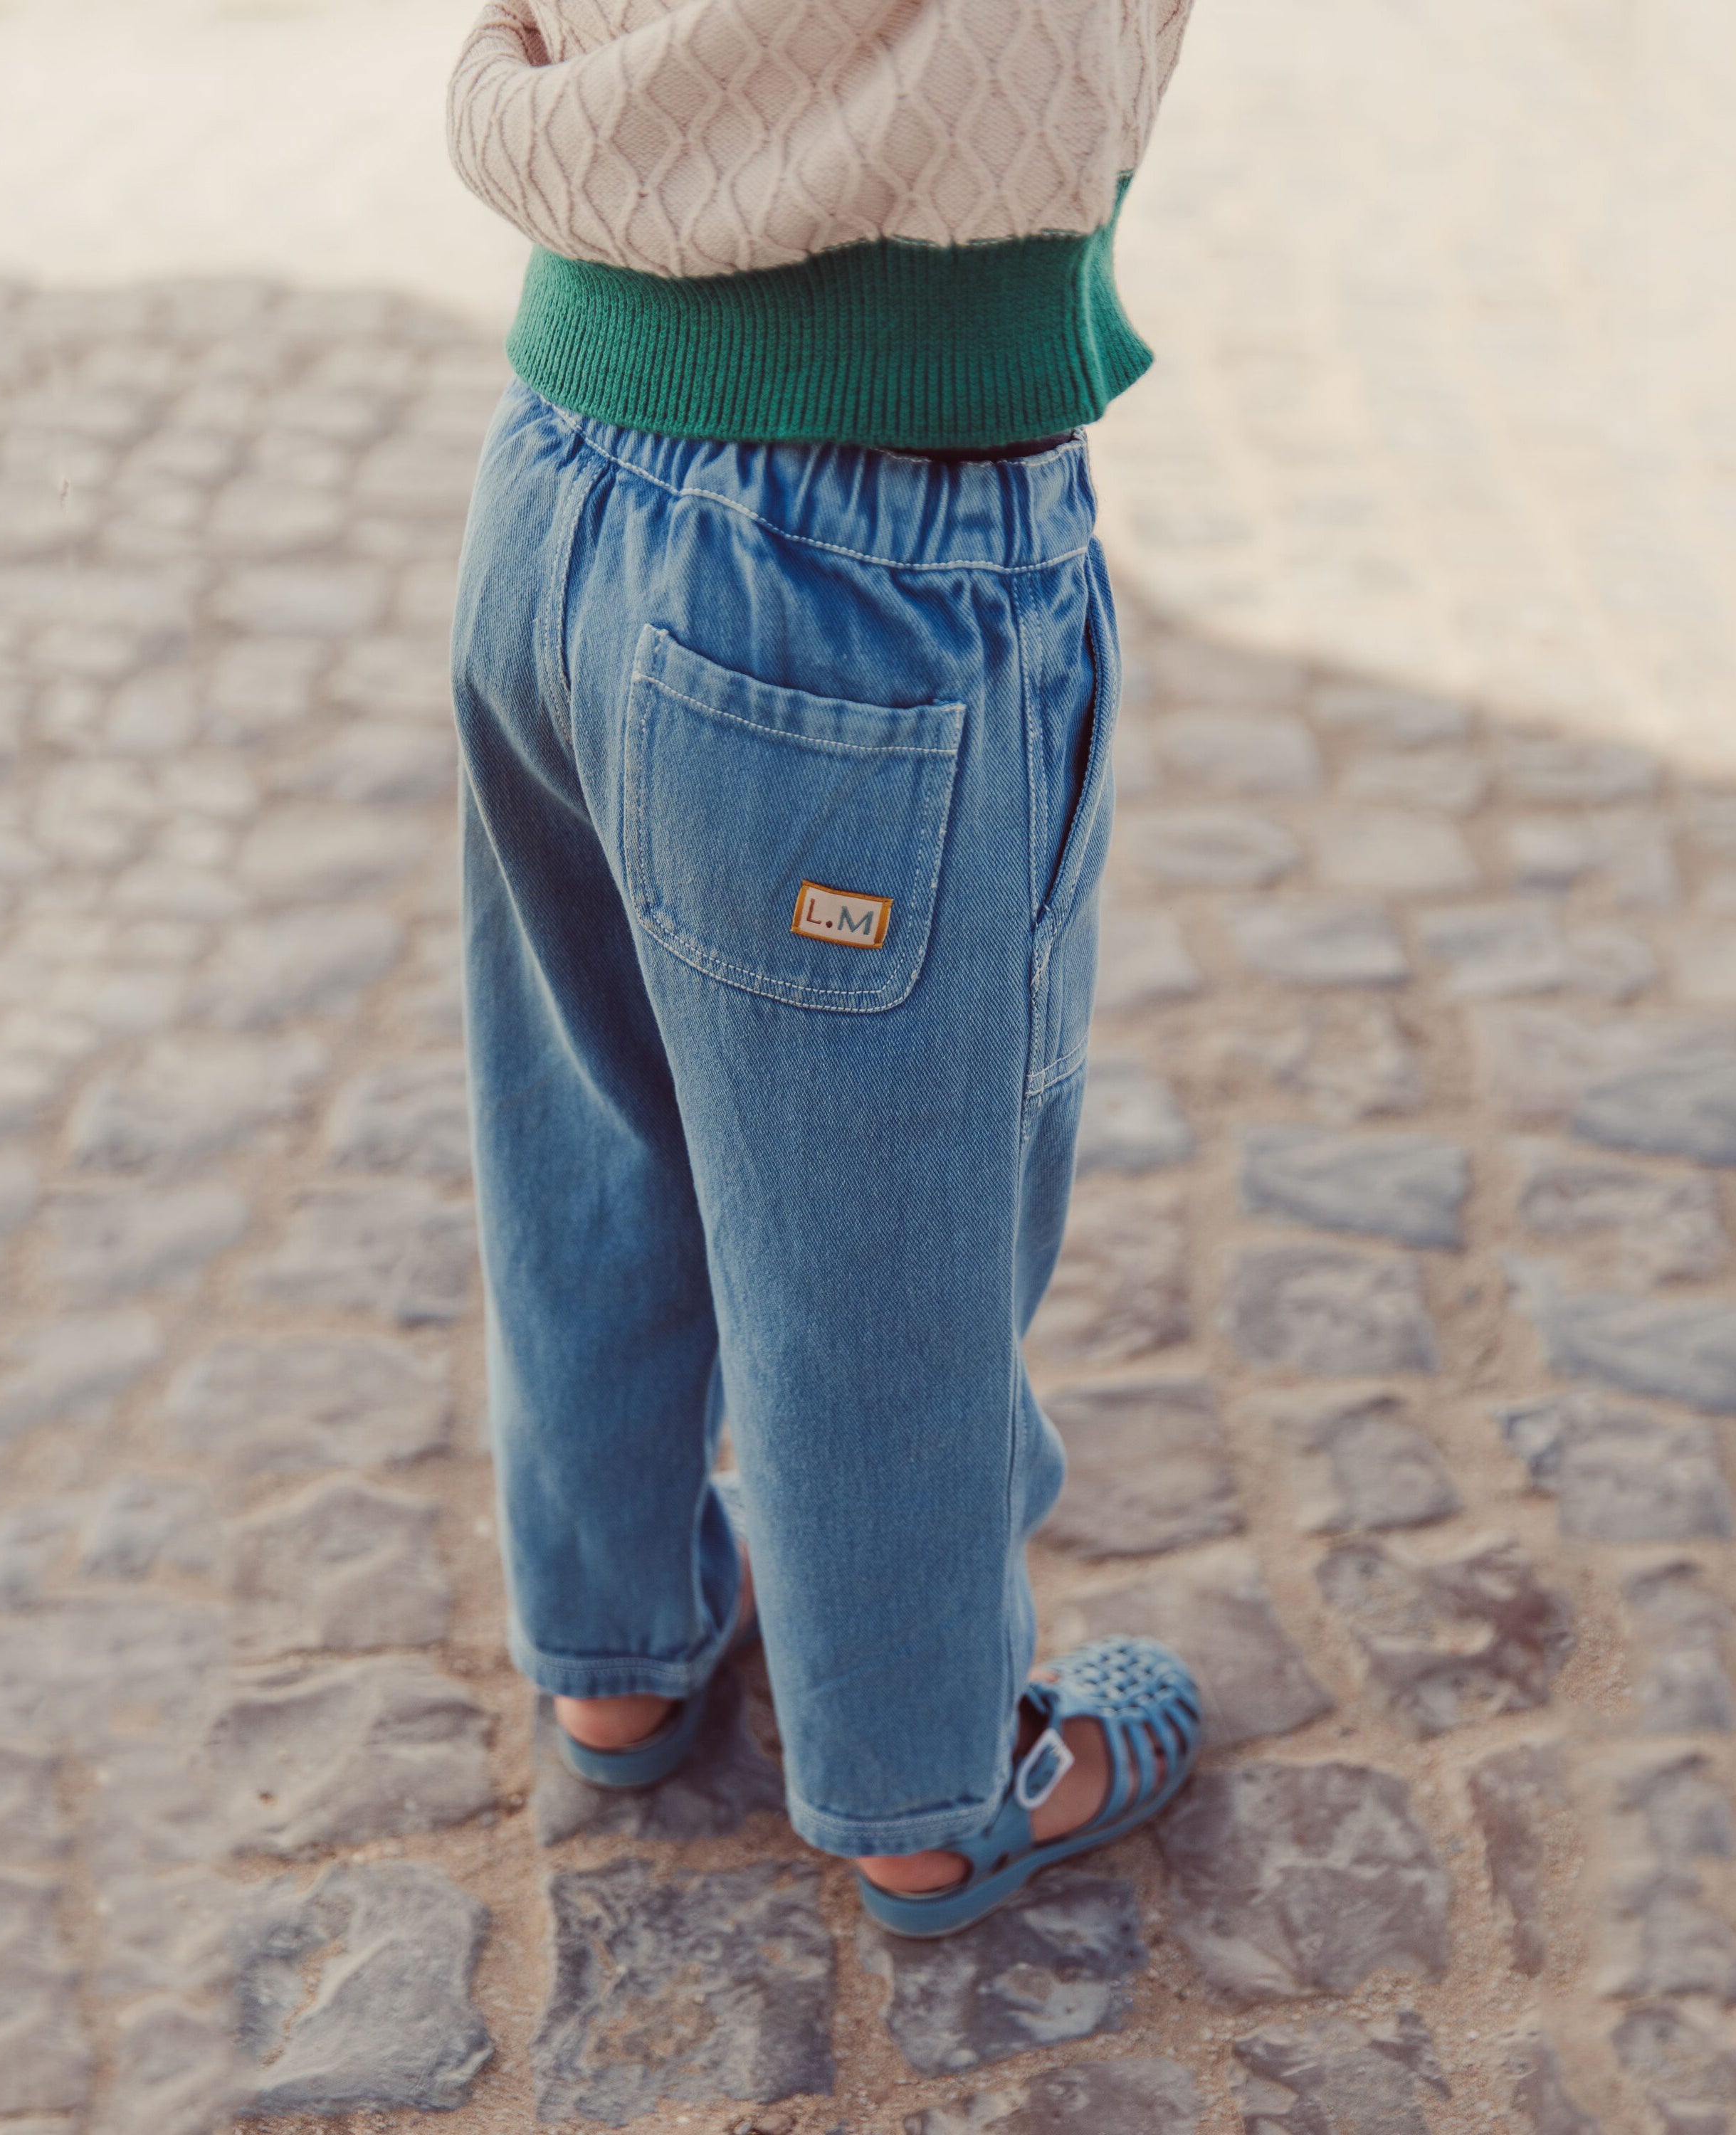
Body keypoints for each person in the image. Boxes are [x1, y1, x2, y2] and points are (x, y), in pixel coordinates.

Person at [445, 0, 1201, 1936]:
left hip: (555, 473)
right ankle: (924, 1785)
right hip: (864, 544)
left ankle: (617, 1649)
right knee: (886, 1215)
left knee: (591, 1113)